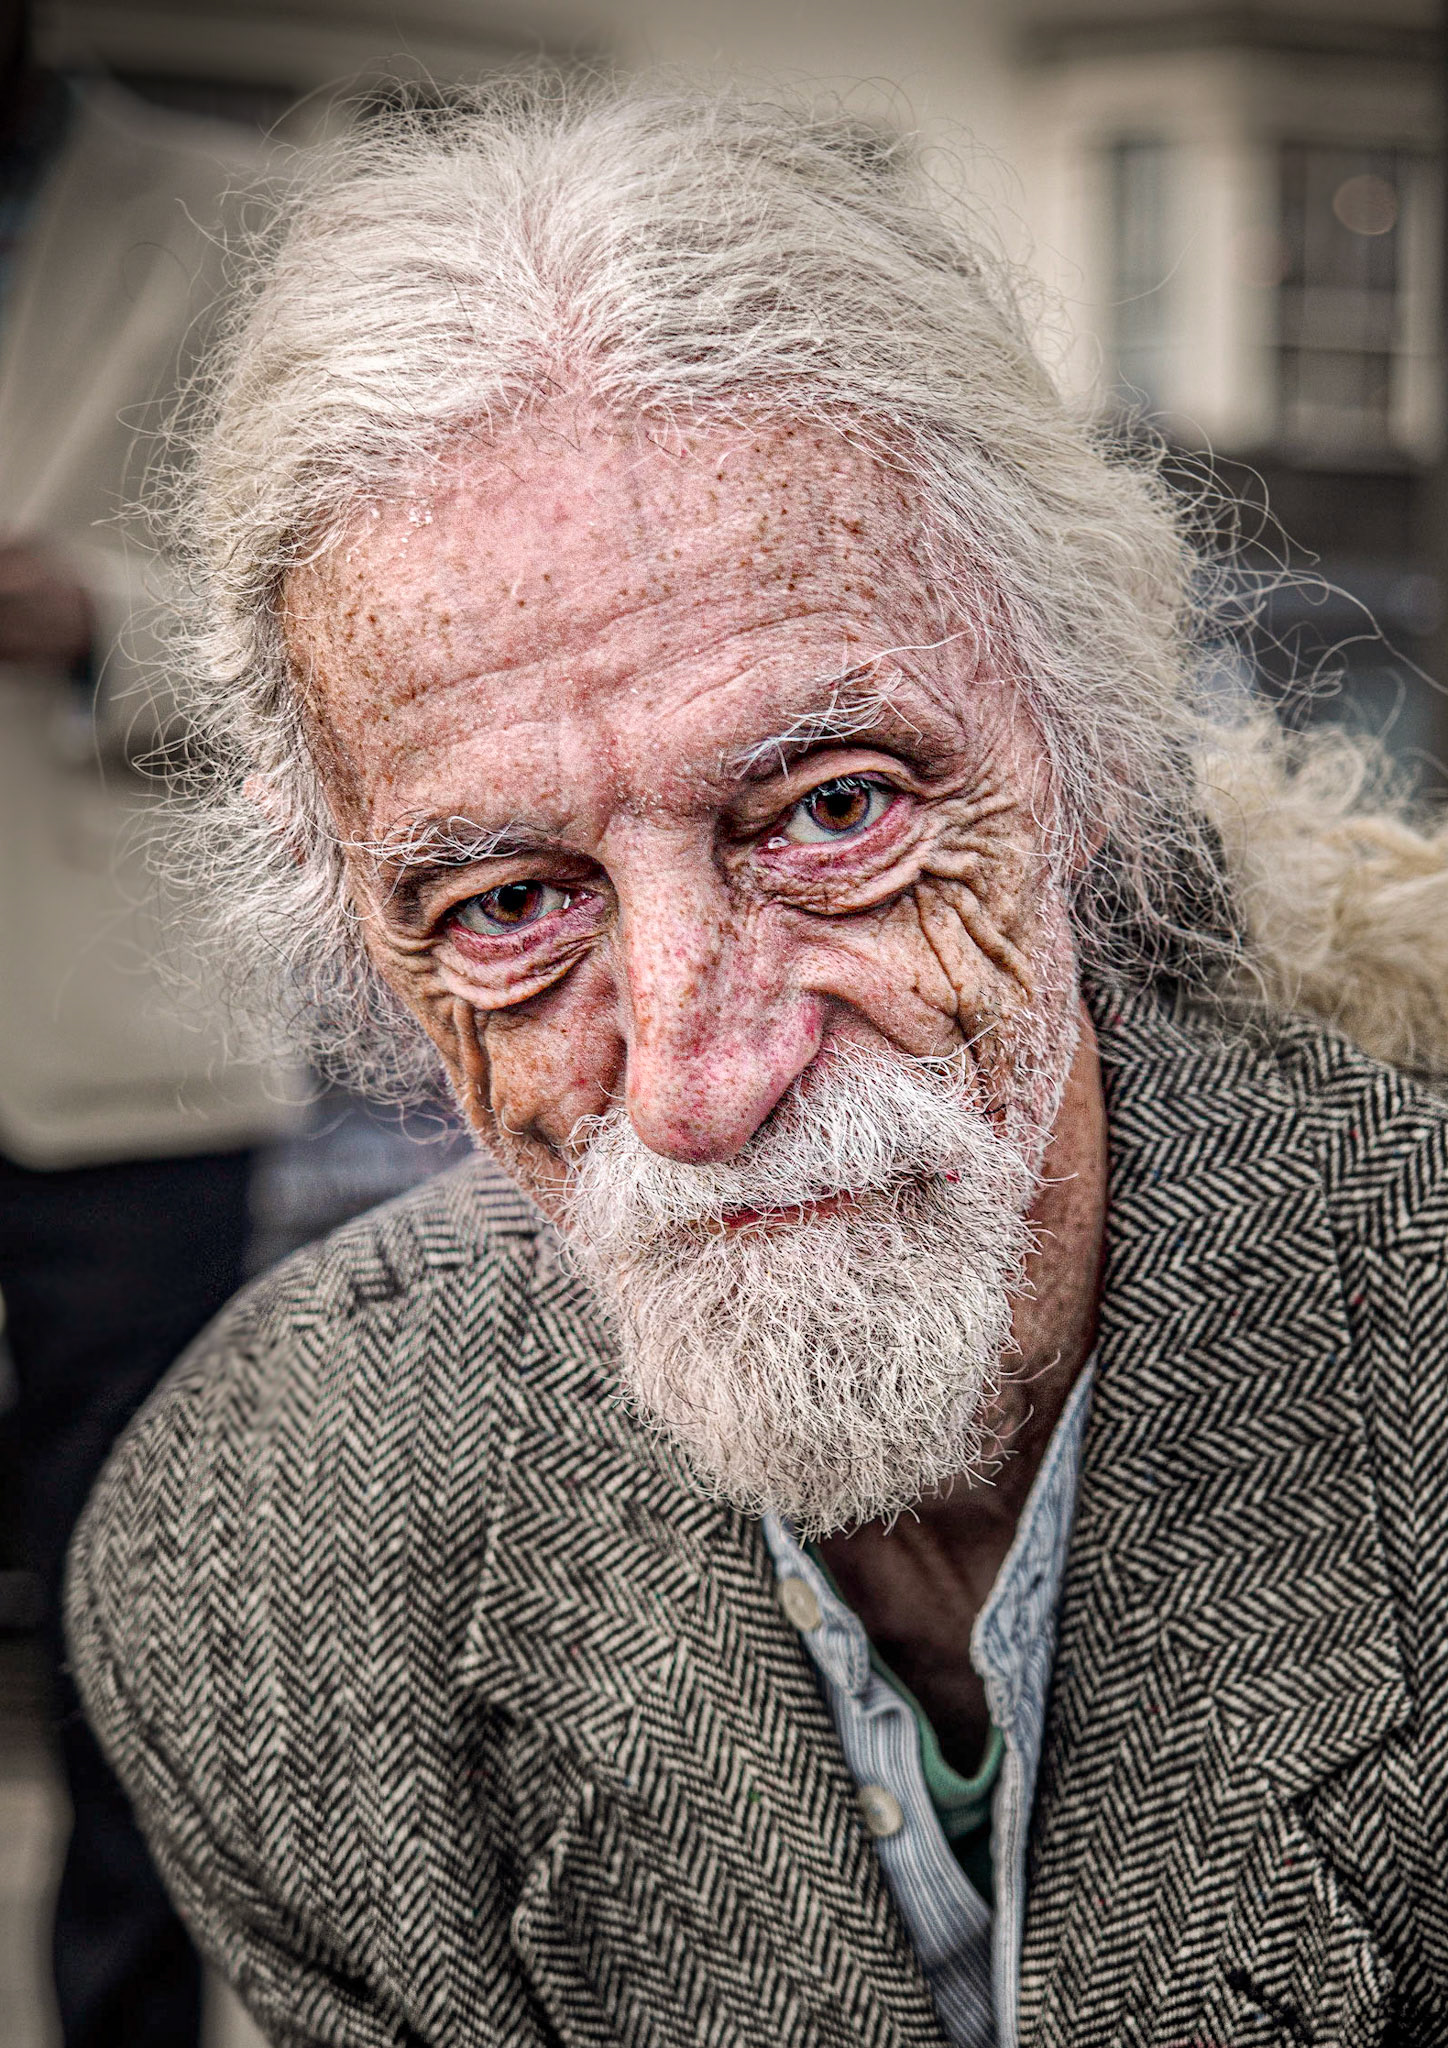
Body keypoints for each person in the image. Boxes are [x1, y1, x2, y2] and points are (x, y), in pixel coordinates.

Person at [65, 81, 1448, 2048]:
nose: (700, 1086)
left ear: (1096, 755)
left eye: (829, 810)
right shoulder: (270, 1575)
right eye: (509, 903)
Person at [0, 10, 296, 2042]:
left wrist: (93, 611)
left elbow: (328, 623)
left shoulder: (231, 215)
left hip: (127, 1061)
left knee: (133, 1624)